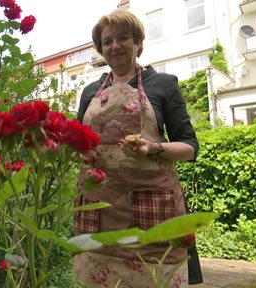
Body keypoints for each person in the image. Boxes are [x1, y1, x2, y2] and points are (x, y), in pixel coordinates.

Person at [73, 8, 201, 287]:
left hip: (149, 212)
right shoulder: (90, 92)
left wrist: (153, 148)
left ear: (138, 43)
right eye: (107, 41)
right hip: (98, 211)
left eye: (123, 38)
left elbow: (190, 147)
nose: (115, 46)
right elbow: (76, 141)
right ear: (101, 49)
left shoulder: (163, 85)